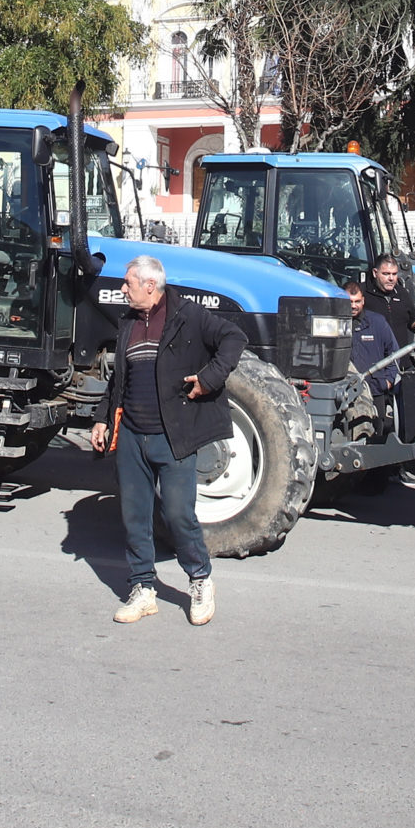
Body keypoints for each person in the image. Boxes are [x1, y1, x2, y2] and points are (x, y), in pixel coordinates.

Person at [92, 255, 246, 627]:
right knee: (134, 516)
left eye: (128, 283)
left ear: (150, 285)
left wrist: (209, 378)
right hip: (132, 435)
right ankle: (143, 589)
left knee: (178, 514)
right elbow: (118, 380)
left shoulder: (188, 315)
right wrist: (100, 419)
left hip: (173, 436)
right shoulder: (129, 322)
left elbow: (233, 338)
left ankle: (200, 580)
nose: (122, 289)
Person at [344, 280, 401, 402]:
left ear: (363, 301)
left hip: (375, 390)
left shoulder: (378, 322)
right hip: (343, 391)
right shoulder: (332, 324)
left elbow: (394, 353)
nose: (353, 306)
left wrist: (388, 381)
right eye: (349, 302)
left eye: (357, 301)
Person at [362, 252, 415, 335]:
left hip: (400, 347)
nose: (391, 278)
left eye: (394, 274)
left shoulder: (402, 293)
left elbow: (413, 320)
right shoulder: (361, 293)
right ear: (375, 273)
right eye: (386, 274)